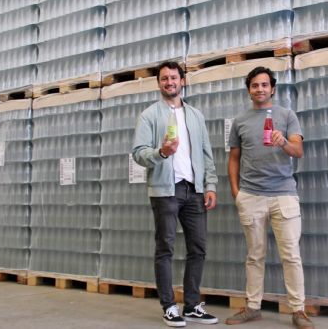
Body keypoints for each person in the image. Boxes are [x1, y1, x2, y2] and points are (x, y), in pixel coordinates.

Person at [225, 66, 314, 329]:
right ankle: (253, 307)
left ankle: (298, 310)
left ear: (272, 89)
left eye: (264, 85)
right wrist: (236, 192)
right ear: (249, 90)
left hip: (284, 195)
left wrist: (283, 142)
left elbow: (298, 151)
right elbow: (233, 158)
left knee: (291, 255)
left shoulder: (287, 116)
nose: (260, 89)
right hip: (251, 195)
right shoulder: (240, 121)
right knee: (255, 256)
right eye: (254, 85)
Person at [132, 61, 219, 327]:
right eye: (164, 78)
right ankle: (169, 306)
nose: (169, 82)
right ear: (159, 83)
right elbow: (138, 153)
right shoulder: (149, 115)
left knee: (198, 248)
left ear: (182, 80)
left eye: (173, 77)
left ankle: (191, 305)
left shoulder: (195, 115)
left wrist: (210, 185)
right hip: (165, 191)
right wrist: (161, 153)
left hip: (194, 190)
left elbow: (206, 153)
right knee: (165, 249)